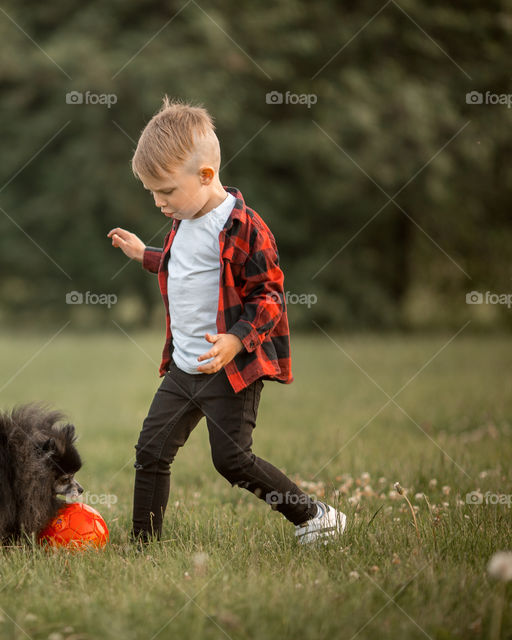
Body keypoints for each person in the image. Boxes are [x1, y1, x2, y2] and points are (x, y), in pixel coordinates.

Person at [107, 97, 346, 546]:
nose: (159, 203)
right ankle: (143, 545)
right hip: (184, 367)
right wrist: (145, 254)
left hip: (230, 371)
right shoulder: (185, 217)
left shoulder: (243, 226)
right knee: (151, 450)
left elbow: (269, 297)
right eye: (152, 194)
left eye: (166, 192)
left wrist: (237, 341)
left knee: (232, 460)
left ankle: (316, 516)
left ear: (205, 176)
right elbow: (188, 268)